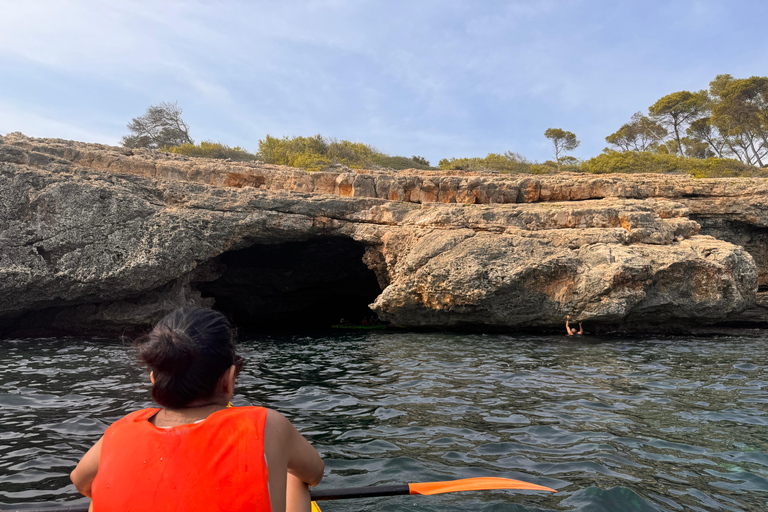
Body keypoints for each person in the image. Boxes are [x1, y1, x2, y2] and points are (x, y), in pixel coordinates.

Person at [71, 307, 324, 512]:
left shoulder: (119, 430)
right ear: (229, 379)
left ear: (153, 378)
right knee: (295, 476)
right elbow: (314, 473)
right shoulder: (268, 423)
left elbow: (80, 481)